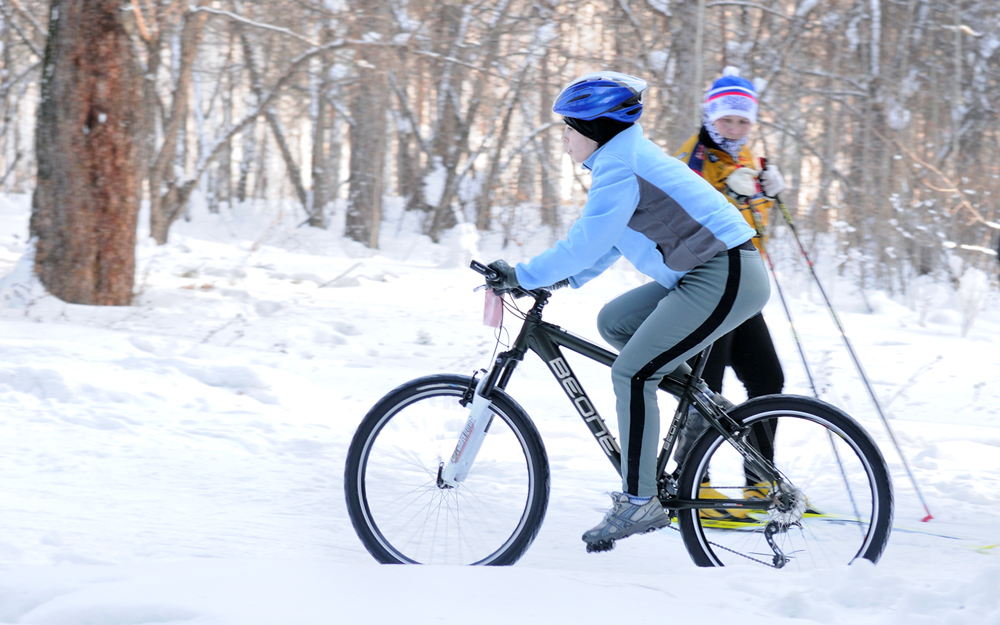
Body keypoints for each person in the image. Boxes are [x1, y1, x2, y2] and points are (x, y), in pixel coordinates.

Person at [483, 71, 770, 551]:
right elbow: (610, 242)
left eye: (569, 129)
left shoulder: (621, 165)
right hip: (707, 274)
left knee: (633, 375)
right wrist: (558, 277)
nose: (564, 139)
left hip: (725, 272)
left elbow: (585, 242)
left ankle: (640, 500)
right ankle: (704, 403)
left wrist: (522, 274)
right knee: (614, 323)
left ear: (594, 129)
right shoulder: (624, 160)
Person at [673, 66, 786, 523]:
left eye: (743, 121)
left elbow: (754, 228)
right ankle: (691, 488)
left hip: (743, 290)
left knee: (767, 381)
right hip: (707, 287)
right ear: (710, 117)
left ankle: (761, 483)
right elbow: (685, 218)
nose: (735, 129)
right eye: (726, 120)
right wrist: (728, 192)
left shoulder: (750, 162)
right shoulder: (693, 160)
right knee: (707, 388)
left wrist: (769, 194)